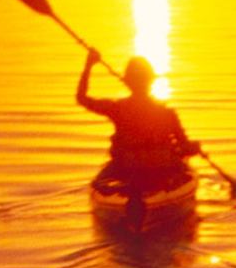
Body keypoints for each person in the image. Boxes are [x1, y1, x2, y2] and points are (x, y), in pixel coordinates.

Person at [78, 48, 200, 192]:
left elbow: (82, 99)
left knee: (101, 182)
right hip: (161, 168)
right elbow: (185, 147)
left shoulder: (117, 108)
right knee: (182, 169)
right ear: (150, 81)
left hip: (126, 167)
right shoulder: (167, 113)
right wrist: (194, 148)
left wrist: (88, 65)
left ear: (128, 82)